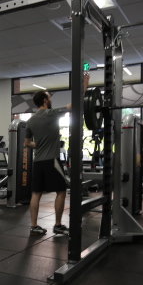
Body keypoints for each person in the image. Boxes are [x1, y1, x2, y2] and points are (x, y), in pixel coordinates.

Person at [25, 72, 90, 235]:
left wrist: (37, 144)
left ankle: (33, 226)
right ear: (45, 100)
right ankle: (58, 225)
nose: (51, 99)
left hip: (37, 162)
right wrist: (85, 85)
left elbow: (27, 143)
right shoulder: (52, 114)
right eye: (49, 97)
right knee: (61, 191)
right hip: (51, 161)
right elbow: (75, 104)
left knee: (36, 194)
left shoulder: (30, 121)